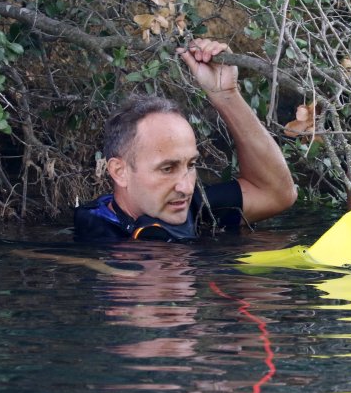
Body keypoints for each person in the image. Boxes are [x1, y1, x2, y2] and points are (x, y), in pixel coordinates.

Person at [74, 38, 298, 242]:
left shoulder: (190, 207)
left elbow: (277, 193)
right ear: (119, 172)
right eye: (167, 168)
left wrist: (226, 94)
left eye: (190, 165)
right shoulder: (95, 236)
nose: (186, 187)